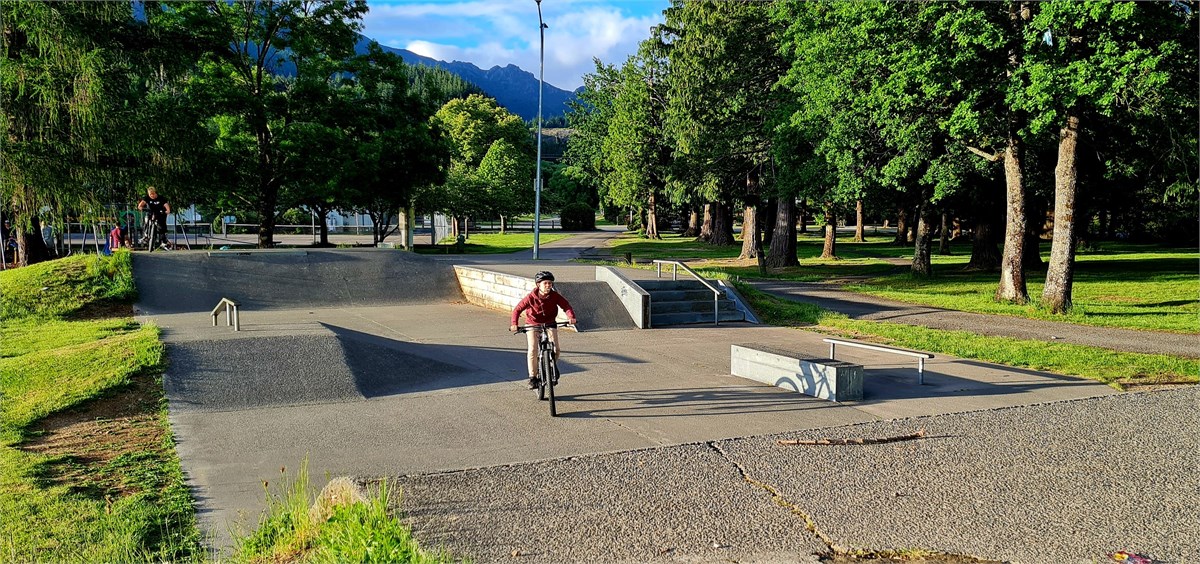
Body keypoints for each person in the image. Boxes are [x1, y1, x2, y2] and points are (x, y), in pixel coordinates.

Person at [510, 271, 578, 389]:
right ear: (538, 285)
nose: (548, 286)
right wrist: (514, 324)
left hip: (550, 323)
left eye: (550, 283)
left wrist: (571, 317)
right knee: (533, 349)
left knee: (556, 349)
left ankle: (551, 366)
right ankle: (533, 377)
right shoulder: (531, 297)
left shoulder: (554, 296)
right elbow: (517, 310)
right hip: (533, 324)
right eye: (545, 283)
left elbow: (566, 305)